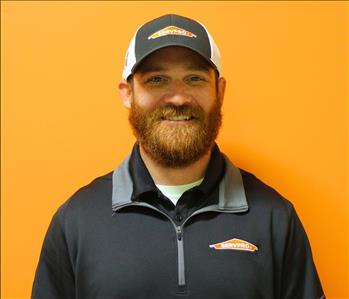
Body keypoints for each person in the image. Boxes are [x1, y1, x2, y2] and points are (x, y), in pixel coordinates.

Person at [32, 14, 325, 299]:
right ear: (127, 93)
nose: (178, 97)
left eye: (194, 78)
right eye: (157, 79)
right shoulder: (76, 221)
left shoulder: (274, 218)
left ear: (220, 91)